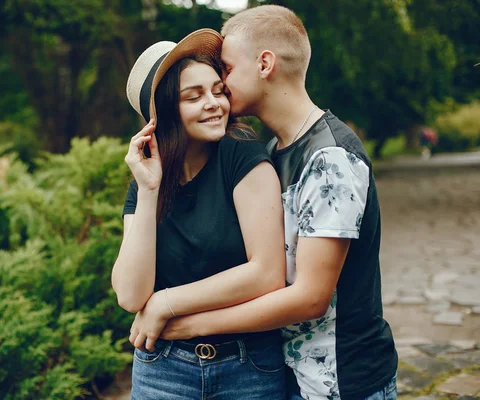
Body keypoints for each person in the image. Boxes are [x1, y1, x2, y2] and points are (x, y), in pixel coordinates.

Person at [160, 6, 399, 400]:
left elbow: (310, 297)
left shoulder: (330, 157)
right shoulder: (274, 150)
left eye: (228, 69)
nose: (221, 82)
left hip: (343, 383)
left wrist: (190, 324)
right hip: (291, 376)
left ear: (265, 64)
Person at [112, 29, 288, 399]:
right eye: (194, 96)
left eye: (217, 90)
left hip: (248, 367)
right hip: (163, 369)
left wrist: (166, 302)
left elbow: (268, 273)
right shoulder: (147, 182)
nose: (214, 103)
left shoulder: (241, 154)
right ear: (163, 115)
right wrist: (148, 190)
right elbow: (130, 296)